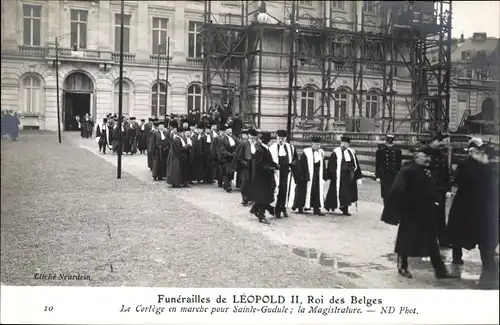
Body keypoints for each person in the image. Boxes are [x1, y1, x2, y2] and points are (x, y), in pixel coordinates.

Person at [381, 145, 458, 280]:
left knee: (432, 242)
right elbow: (398, 190)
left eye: (429, 157)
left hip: (425, 212)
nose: (428, 159)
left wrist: (434, 200)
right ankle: (402, 266)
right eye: (425, 156)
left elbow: (430, 188)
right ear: (417, 157)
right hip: (410, 212)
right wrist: (398, 210)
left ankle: (440, 271)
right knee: (405, 240)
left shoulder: (425, 170)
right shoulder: (408, 170)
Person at [447, 138, 499, 287]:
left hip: (474, 205)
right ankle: (460, 258)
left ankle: (483, 264)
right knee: (464, 233)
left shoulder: (485, 166)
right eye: (478, 151)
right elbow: (458, 180)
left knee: (471, 233)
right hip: (470, 205)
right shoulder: (476, 166)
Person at [324, 136, 363, 216]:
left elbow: (356, 164)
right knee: (334, 192)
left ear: (348, 144)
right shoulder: (336, 152)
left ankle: (345, 209)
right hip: (339, 176)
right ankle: (329, 206)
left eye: (346, 143)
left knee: (347, 193)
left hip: (349, 176)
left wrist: (358, 177)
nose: (344, 145)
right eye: (343, 143)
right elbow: (331, 165)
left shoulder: (351, 152)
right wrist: (332, 175)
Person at [428, 131, 452, 249]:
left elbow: (446, 172)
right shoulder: (426, 153)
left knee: (441, 216)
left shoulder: (443, 155)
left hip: (440, 190)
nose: (444, 145)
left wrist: (448, 188)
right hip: (429, 189)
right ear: (436, 141)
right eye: (442, 142)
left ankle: (443, 240)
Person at [293, 136, 326, 216]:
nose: (318, 146)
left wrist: (324, 175)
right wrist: (304, 176)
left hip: (317, 175)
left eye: (319, 144)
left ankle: (316, 209)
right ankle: (300, 207)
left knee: (317, 192)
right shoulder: (306, 153)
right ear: (312, 144)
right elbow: (302, 165)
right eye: (317, 144)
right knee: (303, 191)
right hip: (307, 175)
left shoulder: (321, 152)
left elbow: (323, 165)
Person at [269, 130, 298, 219]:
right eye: (279, 138)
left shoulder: (291, 148)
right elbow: (268, 160)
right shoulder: (272, 148)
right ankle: (276, 211)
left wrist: (293, 163)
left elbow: (295, 158)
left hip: (286, 172)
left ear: (285, 139)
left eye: (282, 139)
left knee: (285, 191)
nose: (280, 140)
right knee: (277, 191)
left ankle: (283, 208)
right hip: (276, 172)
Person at [251, 131, 277, 224]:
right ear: (268, 141)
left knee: (264, 196)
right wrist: (270, 168)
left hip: (265, 177)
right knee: (263, 197)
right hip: (261, 178)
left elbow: (268, 161)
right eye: (271, 141)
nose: (272, 142)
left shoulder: (265, 149)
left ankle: (255, 209)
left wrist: (275, 165)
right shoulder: (260, 150)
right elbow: (259, 165)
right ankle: (261, 216)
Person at [375, 134, 402, 204]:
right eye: (388, 143)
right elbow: (377, 164)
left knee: (393, 192)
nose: (390, 145)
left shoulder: (397, 152)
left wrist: (400, 176)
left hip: (394, 175)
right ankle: (386, 207)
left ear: (393, 143)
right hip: (385, 175)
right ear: (386, 143)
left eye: (391, 143)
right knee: (385, 193)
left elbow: (399, 165)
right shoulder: (380, 151)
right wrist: (377, 176)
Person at [231, 129, 255, 205]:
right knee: (245, 182)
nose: (252, 137)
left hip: (254, 165)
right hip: (245, 165)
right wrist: (244, 162)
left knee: (252, 181)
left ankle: (251, 197)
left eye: (254, 136)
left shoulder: (257, 144)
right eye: (251, 136)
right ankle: (244, 198)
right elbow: (240, 155)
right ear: (249, 136)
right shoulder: (244, 143)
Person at [218, 124, 238, 192]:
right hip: (225, 158)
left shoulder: (234, 137)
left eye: (231, 131)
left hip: (232, 158)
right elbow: (222, 149)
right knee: (226, 172)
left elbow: (237, 145)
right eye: (229, 131)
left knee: (230, 172)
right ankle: (227, 186)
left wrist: (235, 153)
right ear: (225, 131)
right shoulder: (222, 139)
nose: (230, 132)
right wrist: (229, 154)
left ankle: (228, 183)